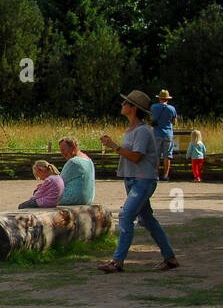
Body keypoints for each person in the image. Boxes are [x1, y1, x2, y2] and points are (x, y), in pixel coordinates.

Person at [98, 89, 179, 272]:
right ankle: (170, 258)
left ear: (133, 108)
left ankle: (118, 261)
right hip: (134, 179)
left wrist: (113, 146)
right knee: (148, 220)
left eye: (125, 103)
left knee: (126, 216)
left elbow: (135, 157)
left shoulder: (142, 131)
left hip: (143, 179)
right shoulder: (132, 130)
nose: (122, 105)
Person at [57, 136, 95, 204]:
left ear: (73, 147)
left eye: (63, 150)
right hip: (88, 199)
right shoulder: (88, 160)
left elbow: (58, 183)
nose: (62, 153)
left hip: (73, 199)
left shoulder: (74, 162)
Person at [150, 88, 178, 181]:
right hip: (168, 134)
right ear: (167, 99)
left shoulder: (153, 107)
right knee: (167, 156)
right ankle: (165, 175)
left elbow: (151, 119)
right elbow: (174, 122)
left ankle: (156, 175)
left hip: (157, 133)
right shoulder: (172, 109)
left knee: (157, 155)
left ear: (159, 98)